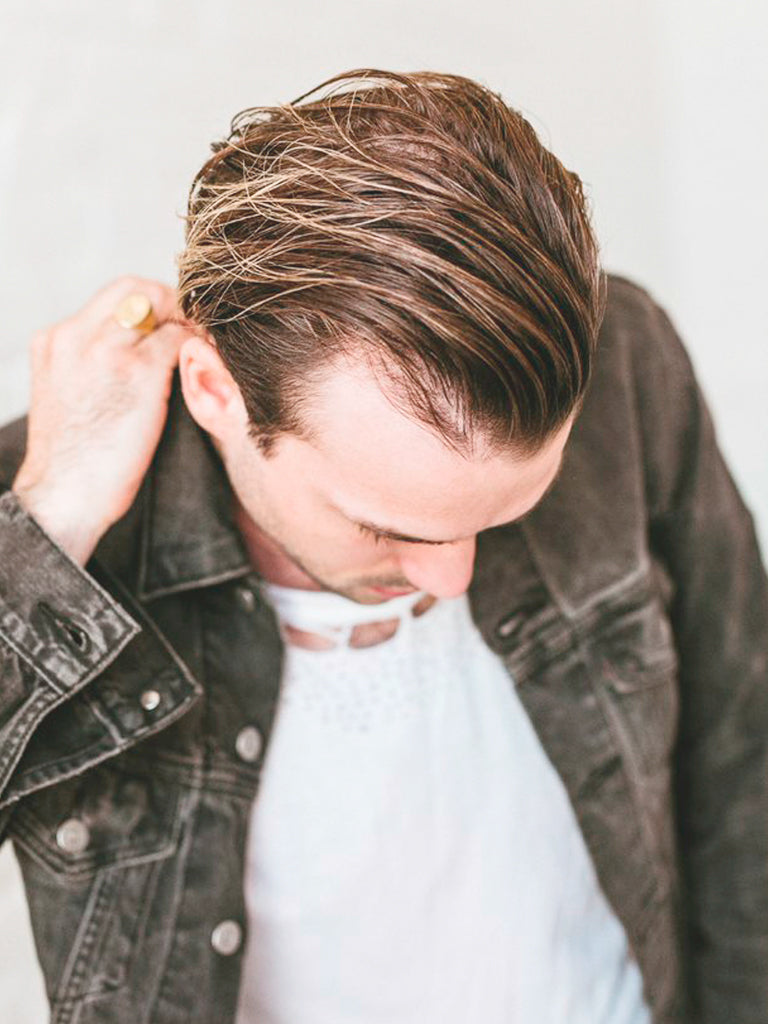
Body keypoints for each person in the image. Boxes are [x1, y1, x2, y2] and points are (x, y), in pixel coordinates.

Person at [0, 68, 766, 1024]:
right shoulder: (58, 524)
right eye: (387, 526)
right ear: (214, 391)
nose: (452, 577)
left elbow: (743, 765)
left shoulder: (631, 367)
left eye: (507, 513)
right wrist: (49, 525)